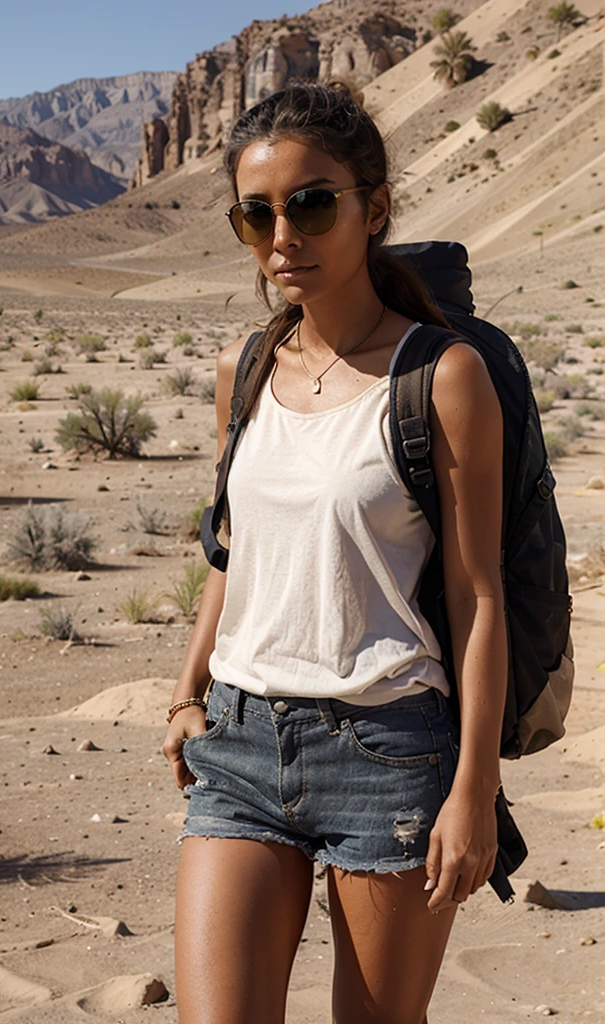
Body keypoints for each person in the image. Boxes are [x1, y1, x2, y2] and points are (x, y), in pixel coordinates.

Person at [162, 80, 506, 1024]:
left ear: (374, 208)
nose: (284, 236)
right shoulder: (246, 369)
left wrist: (474, 789)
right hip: (237, 744)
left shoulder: (442, 376)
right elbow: (232, 551)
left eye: (312, 203)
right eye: (257, 214)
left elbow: (479, 598)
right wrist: (188, 693)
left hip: (388, 750)